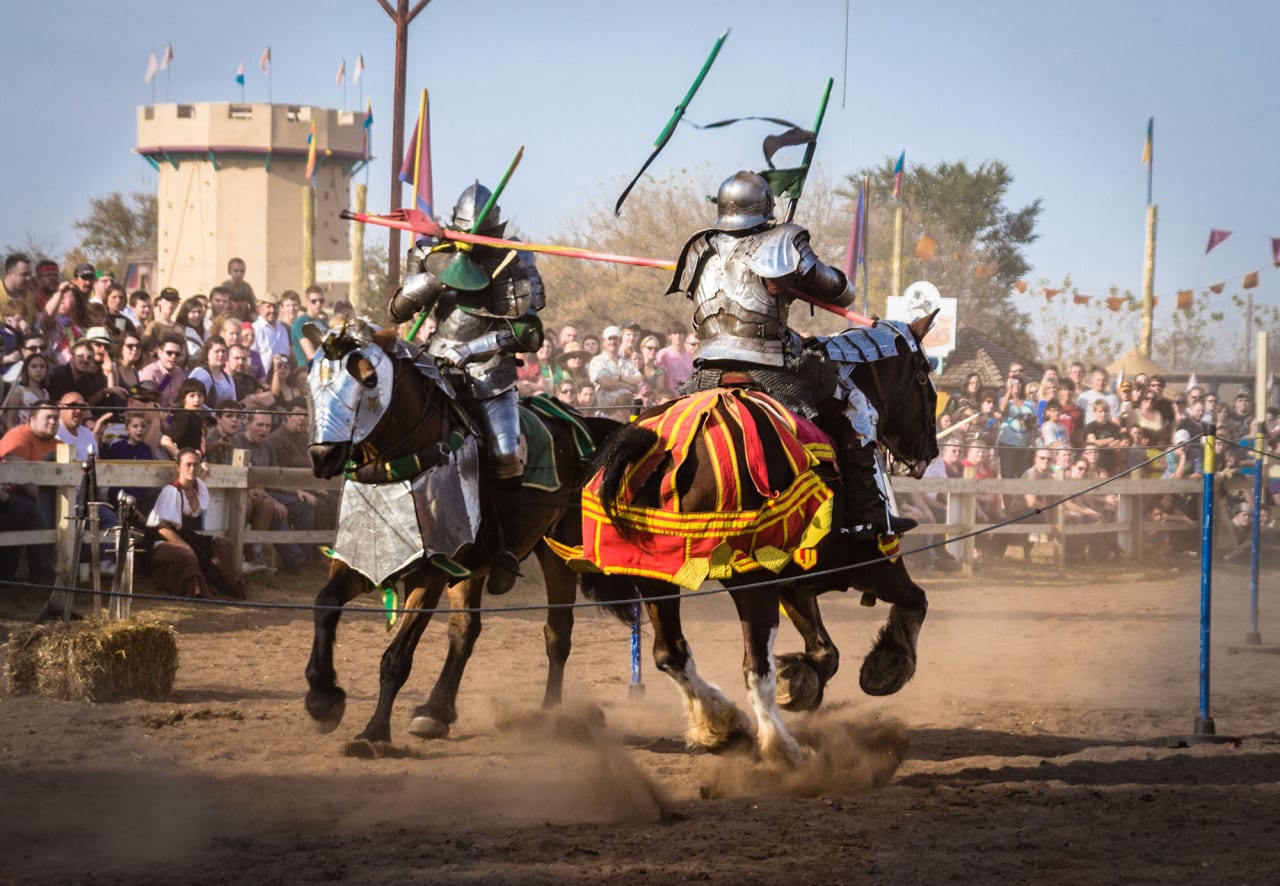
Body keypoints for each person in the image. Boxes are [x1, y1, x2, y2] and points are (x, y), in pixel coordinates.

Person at [666, 171, 910, 540]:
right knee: (857, 407)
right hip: (765, 364)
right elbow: (840, 292)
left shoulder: (700, 246)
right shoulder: (782, 240)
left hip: (708, 367)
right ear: (765, 205)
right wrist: (793, 272)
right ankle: (864, 517)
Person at [387, 182, 546, 585]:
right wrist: (437, 278)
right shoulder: (429, 251)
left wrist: (473, 349)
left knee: (507, 453)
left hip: (490, 372)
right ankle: (395, 537)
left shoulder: (510, 257)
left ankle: (506, 547)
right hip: (434, 366)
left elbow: (528, 333)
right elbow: (398, 309)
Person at [145, 448, 245, 599]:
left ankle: (227, 585)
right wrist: (187, 547)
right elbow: (163, 529)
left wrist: (204, 472)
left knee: (223, 544)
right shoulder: (171, 492)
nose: (192, 469)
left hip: (187, 536)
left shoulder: (198, 487)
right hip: (163, 540)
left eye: (195, 465)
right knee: (187, 555)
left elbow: (197, 481)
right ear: (178, 467)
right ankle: (196, 591)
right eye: (188, 465)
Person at [0, 401, 61, 611]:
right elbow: (19, 473)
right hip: (13, 496)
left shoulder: (59, 445)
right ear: (32, 419)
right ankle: (38, 576)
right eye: (48, 417)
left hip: (38, 498)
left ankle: (60, 575)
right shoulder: (19, 436)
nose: (53, 421)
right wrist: (43, 499)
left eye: (56, 417)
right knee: (29, 512)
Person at [588, 325, 641, 414]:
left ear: (620, 341)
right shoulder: (597, 361)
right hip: (607, 411)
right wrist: (627, 385)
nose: (613, 342)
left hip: (628, 409)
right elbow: (605, 383)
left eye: (615, 339)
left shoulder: (627, 362)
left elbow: (638, 379)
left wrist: (619, 378)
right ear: (604, 342)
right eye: (610, 339)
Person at [1, 351, 50, 431]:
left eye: (42, 366)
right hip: (24, 434)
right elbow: (10, 420)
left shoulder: (46, 393)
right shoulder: (19, 391)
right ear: (26, 369)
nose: (38, 370)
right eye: (34, 366)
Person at [159, 379, 208, 457]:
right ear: (183, 398)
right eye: (192, 396)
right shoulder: (184, 416)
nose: (197, 400)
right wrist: (182, 458)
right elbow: (165, 441)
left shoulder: (196, 417)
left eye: (200, 395)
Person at [137, 334, 188, 409]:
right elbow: (145, 403)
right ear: (159, 353)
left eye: (177, 354)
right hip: (154, 416)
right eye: (169, 353)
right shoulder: (149, 373)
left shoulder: (179, 372)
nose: (173, 356)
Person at [187, 336, 236, 408]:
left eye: (223, 351)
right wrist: (215, 415)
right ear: (207, 353)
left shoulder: (228, 377)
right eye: (217, 351)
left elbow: (233, 401)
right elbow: (196, 403)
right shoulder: (201, 373)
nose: (221, 354)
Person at [292, 285, 329, 365]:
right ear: (307, 302)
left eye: (321, 300)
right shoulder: (301, 322)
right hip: (307, 370)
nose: (318, 304)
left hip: (324, 368)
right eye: (314, 301)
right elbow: (311, 355)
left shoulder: (323, 323)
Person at [654, 321, 694, 392]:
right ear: (669, 336)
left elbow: (691, 379)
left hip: (686, 397)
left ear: (685, 335)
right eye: (675, 333)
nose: (678, 336)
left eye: (681, 333)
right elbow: (657, 376)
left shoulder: (690, 356)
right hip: (669, 397)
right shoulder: (662, 354)